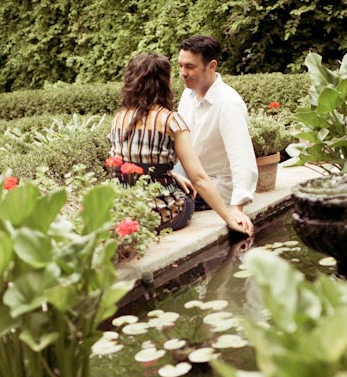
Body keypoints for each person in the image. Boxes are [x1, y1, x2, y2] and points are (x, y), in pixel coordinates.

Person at [108, 53, 253, 236]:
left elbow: (121, 167)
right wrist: (230, 218)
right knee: (189, 195)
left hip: (123, 209)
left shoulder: (118, 119)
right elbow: (199, 178)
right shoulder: (171, 120)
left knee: (181, 181)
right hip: (161, 213)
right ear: (164, 82)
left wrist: (170, 176)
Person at [175, 35, 258, 217]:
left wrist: (237, 207)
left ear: (212, 66)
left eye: (190, 67)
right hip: (190, 177)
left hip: (214, 189)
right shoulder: (187, 96)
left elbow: (242, 158)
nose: (183, 72)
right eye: (180, 65)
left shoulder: (228, 103)